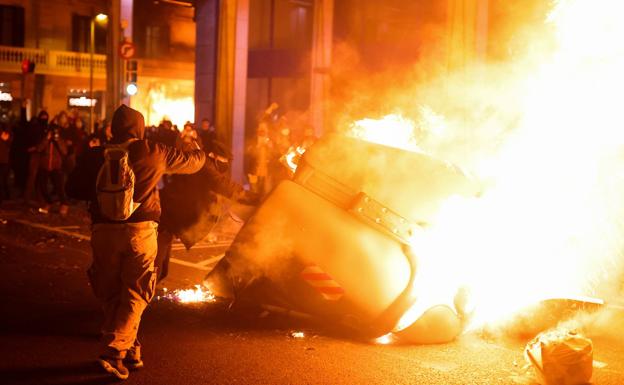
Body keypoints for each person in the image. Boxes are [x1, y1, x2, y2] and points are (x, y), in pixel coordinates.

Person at [66, 105, 205, 380]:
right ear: (140, 128)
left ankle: (131, 349)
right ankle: (113, 352)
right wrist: (198, 149)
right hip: (141, 231)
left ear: (113, 128)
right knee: (136, 291)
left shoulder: (96, 155)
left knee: (110, 292)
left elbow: (71, 188)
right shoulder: (153, 151)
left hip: (103, 231)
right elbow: (193, 163)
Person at [0, 123, 12, 204]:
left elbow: (10, 142)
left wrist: (6, 138)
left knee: (2, 179)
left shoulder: (6, 134)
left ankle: (4, 196)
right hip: (4, 159)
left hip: (4, 160)